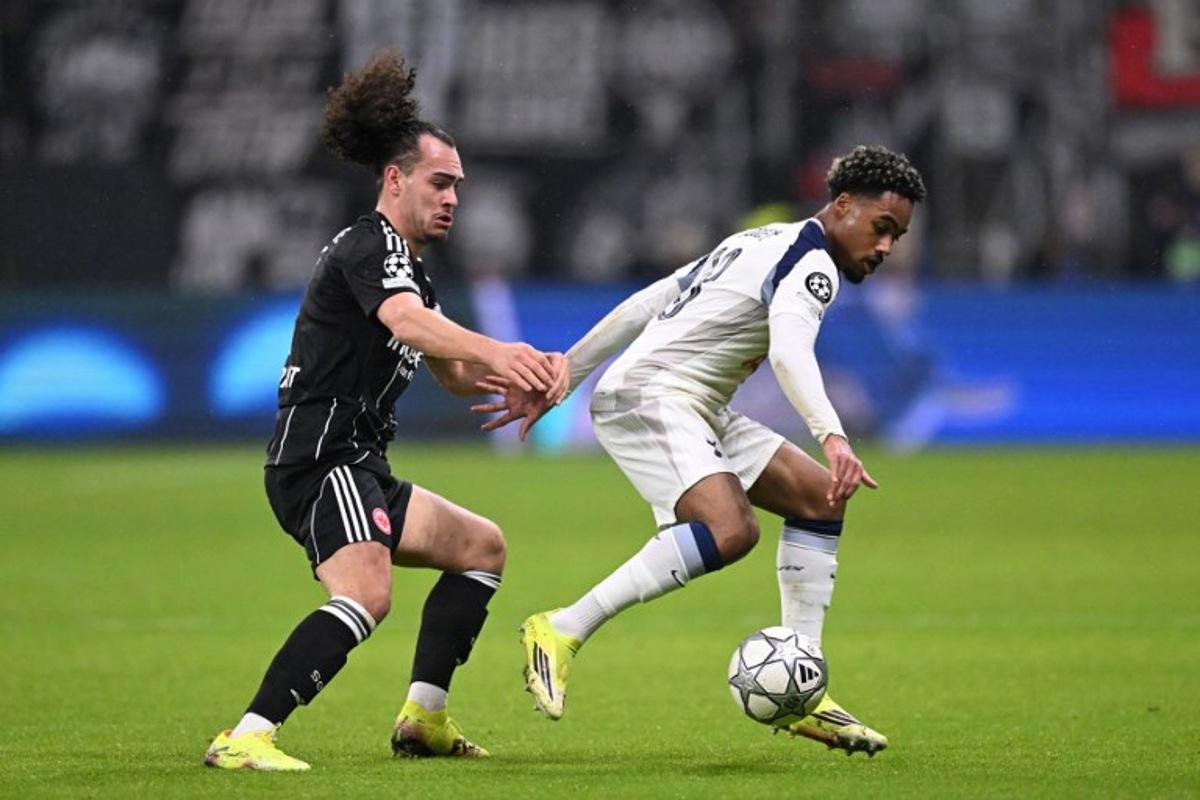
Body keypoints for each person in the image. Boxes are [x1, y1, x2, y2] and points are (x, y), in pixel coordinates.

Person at [475, 145, 925, 756]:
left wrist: (567, 375)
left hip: (693, 404)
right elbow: (792, 351)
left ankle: (803, 687)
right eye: (881, 229)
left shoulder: (764, 238)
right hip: (653, 396)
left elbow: (651, 300)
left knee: (818, 498)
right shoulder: (812, 266)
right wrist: (833, 435)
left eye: (896, 236)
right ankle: (559, 629)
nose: (886, 248)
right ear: (843, 206)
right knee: (729, 528)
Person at [203, 51, 565, 771]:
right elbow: (405, 324)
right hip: (320, 460)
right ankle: (245, 735)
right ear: (394, 180)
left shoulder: (411, 269)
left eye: (459, 186)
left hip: (360, 465)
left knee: (481, 548)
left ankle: (423, 718)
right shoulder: (369, 247)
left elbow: (451, 372)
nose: (453, 198)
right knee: (367, 594)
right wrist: (502, 350)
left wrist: (513, 382)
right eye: (440, 182)